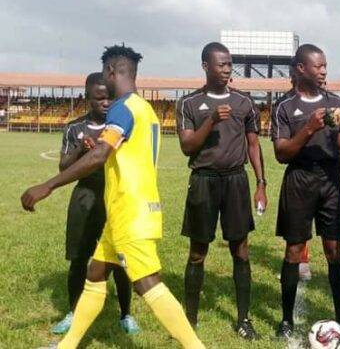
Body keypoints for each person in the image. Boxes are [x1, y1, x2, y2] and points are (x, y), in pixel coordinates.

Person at [22, 44, 204, 349]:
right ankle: (67, 345)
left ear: (110, 71)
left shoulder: (122, 107)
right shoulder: (145, 108)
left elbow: (99, 157)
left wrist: (48, 186)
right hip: (128, 209)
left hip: (130, 211)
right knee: (95, 273)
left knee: (148, 283)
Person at [175, 42, 266, 340]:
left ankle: (243, 319)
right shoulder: (189, 103)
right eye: (221, 64)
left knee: (240, 250)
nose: (227, 69)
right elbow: (187, 146)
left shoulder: (244, 102)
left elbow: (254, 144)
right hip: (203, 181)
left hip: (235, 181)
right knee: (198, 252)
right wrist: (212, 120)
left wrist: (260, 183)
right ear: (205, 65)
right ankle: (190, 320)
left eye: (229, 64)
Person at [271, 44, 340, 339]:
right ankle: (286, 321)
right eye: (318, 66)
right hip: (299, 179)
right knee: (294, 249)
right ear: (301, 69)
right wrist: (307, 128)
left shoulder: (335, 103)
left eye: (325, 66)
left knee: (334, 250)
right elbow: (281, 154)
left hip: (330, 181)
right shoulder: (284, 107)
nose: (324, 71)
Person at [51, 72, 139, 336]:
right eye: (99, 98)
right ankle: (73, 311)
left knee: (121, 259)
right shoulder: (75, 128)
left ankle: (125, 314)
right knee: (79, 258)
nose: (105, 103)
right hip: (85, 196)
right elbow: (63, 166)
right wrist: (81, 150)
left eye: (109, 97)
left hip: (116, 197)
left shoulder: (121, 125)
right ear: (87, 98)